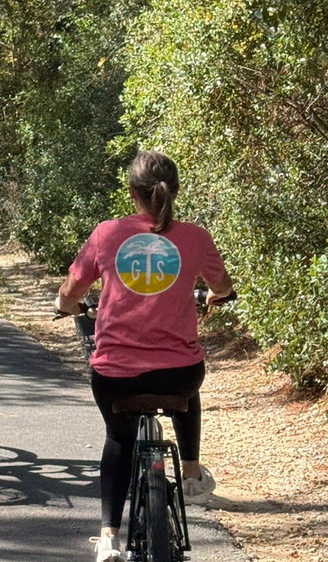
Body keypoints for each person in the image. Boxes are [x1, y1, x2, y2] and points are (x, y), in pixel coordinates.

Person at [54, 150, 234, 562]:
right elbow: (222, 285)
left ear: (132, 193)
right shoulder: (195, 237)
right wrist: (216, 295)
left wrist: (65, 306)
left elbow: (70, 293)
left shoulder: (107, 233)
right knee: (188, 383)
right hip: (179, 375)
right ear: (176, 190)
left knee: (119, 438)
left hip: (116, 375)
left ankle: (108, 539)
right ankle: (190, 472)